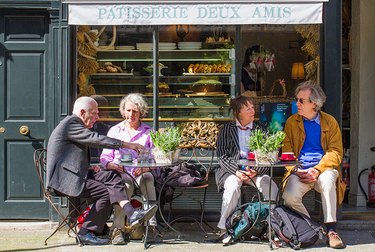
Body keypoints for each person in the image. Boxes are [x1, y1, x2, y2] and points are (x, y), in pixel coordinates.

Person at [46, 96, 157, 246]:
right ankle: (85, 233)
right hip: (65, 180)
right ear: (83, 112)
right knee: (105, 192)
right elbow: (94, 139)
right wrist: (127, 144)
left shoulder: (74, 124)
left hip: (76, 174)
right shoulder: (71, 123)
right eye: (94, 113)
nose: (97, 117)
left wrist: (89, 167)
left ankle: (131, 214)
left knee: (110, 176)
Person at [282, 81, 346, 249]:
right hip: (300, 170)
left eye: (301, 101)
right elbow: (287, 151)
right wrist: (296, 170)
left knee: (328, 179)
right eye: (297, 99)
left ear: (314, 104)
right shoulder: (291, 122)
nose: (297, 104)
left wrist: (317, 170)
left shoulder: (330, 122)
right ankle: (314, 228)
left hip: (322, 169)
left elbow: (336, 152)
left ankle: (331, 230)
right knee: (289, 195)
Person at [215, 95, 279, 243]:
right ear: (238, 112)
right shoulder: (226, 130)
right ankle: (224, 228)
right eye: (248, 108)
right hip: (232, 171)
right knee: (232, 186)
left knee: (271, 187)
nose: (252, 111)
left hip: (254, 171)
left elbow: (269, 155)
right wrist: (237, 171)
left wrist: (256, 170)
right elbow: (222, 157)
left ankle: (271, 226)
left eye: (253, 107)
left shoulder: (261, 129)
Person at [100, 93, 158, 238]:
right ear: (123, 111)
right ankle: (118, 229)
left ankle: (151, 224)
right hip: (122, 172)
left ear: (141, 113)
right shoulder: (115, 131)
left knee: (148, 179)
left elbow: (156, 157)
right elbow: (105, 157)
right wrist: (114, 166)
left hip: (141, 172)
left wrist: (146, 167)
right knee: (124, 185)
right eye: (128, 110)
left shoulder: (149, 132)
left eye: (135, 111)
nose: (131, 114)